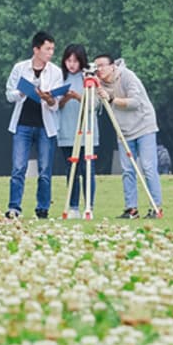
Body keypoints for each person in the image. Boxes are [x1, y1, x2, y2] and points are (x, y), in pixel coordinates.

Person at [93, 54, 164, 219]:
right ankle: (131, 209)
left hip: (144, 125)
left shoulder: (127, 76)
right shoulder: (99, 84)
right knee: (127, 169)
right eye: (97, 66)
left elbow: (135, 102)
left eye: (102, 65)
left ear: (112, 66)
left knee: (148, 167)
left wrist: (112, 98)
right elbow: (95, 106)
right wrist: (90, 90)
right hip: (123, 130)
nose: (99, 69)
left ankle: (156, 207)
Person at [5, 31, 63, 219]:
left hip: (45, 126)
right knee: (18, 168)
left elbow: (56, 103)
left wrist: (49, 98)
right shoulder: (20, 68)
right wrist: (22, 92)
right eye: (47, 49)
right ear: (36, 49)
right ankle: (14, 207)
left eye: (52, 49)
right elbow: (9, 94)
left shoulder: (55, 72)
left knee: (45, 170)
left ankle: (42, 208)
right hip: (22, 124)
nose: (50, 53)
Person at [56, 44, 98, 218]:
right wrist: (66, 98)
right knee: (71, 170)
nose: (71, 64)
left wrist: (78, 97)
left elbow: (94, 104)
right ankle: (73, 207)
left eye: (75, 61)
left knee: (87, 169)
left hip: (87, 130)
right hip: (66, 130)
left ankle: (89, 206)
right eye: (68, 60)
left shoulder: (88, 77)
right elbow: (54, 104)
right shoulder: (59, 77)